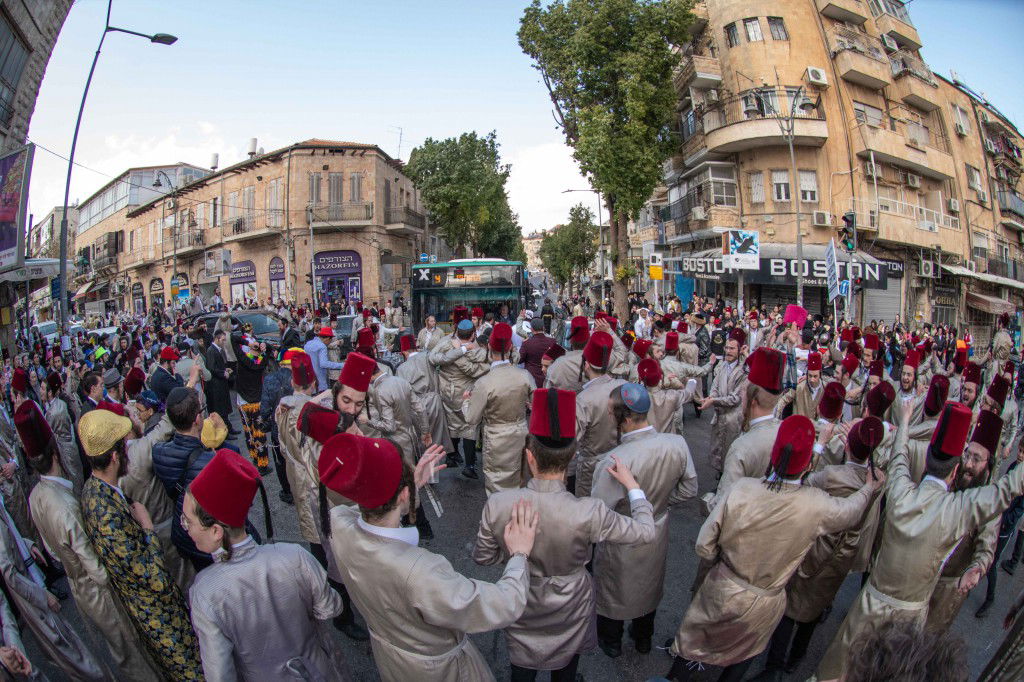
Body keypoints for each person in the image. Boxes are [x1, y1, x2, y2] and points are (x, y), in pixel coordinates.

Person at [817, 400, 1024, 680]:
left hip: (869, 604)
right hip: (908, 622)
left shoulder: (901, 488)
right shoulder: (958, 509)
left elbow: (900, 455)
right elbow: (1007, 490)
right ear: (954, 472)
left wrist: (904, 420)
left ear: (926, 462)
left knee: (839, 668)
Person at [668, 415, 882, 682]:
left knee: (694, 647)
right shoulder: (815, 505)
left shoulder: (742, 489)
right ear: (805, 465)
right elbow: (850, 512)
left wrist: (718, 565)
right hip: (766, 601)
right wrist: (869, 488)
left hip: (724, 588)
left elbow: (704, 543)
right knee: (742, 656)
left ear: (774, 453)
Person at [321, 432, 536, 681]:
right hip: (437, 672)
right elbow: (503, 604)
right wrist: (519, 553)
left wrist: (407, 486)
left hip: (390, 657)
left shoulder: (338, 524)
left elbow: (365, 505)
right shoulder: (419, 571)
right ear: (403, 494)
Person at [474, 388, 656, 680]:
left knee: (521, 669)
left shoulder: (499, 504)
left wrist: (513, 553)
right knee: (566, 669)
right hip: (571, 606)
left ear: (529, 457)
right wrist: (633, 488)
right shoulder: (589, 511)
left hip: (520, 599)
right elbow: (646, 532)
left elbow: (483, 557)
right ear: (572, 456)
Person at [19, 400, 158, 680]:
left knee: (118, 651)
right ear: (56, 452)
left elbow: (53, 552)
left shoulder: (36, 496)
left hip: (78, 588)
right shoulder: (67, 508)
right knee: (130, 653)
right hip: (99, 593)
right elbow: (98, 570)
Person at [183, 448, 349, 680]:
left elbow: (220, 674)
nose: (186, 529)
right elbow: (331, 607)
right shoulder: (294, 556)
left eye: (188, 521)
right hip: (317, 670)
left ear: (216, 531)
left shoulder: (205, 592)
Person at [78, 408, 204, 681]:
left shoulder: (97, 490)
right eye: (124, 447)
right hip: (159, 616)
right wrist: (147, 529)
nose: (128, 452)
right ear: (114, 457)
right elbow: (154, 578)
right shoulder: (105, 512)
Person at [756, 417, 886, 679]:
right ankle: (797, 656)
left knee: (790, 606)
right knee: (817, 605)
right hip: (844, 554)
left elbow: (801, 482)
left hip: (816, 547)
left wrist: (821, 446)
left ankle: (775, 664)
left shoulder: (832, 475)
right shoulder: (878, 479)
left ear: (847, 447)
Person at [593, 383, 698, 658]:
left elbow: (599, 512)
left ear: (625, 419)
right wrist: (659, 506)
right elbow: (689, 489)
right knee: (649, 584)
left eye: (610, 413)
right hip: (657, 527)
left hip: (622, 533)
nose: (607, 417)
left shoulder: (614, 461)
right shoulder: (676, 444)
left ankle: (611, 641)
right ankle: (643, 638)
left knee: (614, 588)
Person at [926, 409, 1001, 631]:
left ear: (989, 465)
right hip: (922, 576)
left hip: (947, 591)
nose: (968, 464)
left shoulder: (991, 504)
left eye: (976, 459)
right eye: (967, 454)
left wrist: (976, 569)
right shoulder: (952, 478)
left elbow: (987, 550)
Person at [152, 387, 219, 571]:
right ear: (198, 419)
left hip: (183, 533)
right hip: (208, 535)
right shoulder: (211, 462)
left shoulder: (158, 452)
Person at [463, 323, 535, 493]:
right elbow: (537, 404)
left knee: (497, 487)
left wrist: (466, 402)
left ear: (488, 346)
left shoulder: (484, 383)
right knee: (520, 482)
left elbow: (471, 418)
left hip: (496, 439)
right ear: (511, 348)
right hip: (520, 434)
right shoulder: (524, 376)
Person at [429, 317, 489, 475]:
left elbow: (432, 357)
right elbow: (474, 369)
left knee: (451, 425)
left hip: (447, 392)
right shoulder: (477, 350)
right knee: (470, 426)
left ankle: (451, 456)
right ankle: (469, 466)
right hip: (466, 393)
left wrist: (456, 351)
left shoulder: (446, 342)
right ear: (472, 335)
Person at [574, 331, 624, 497]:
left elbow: (573, 438)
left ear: (586, 365)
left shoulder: (583, 399)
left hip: (591, 466)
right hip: (620, 460)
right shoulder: (622, 386)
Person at [395, 334, 454, 457]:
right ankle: (435, 472)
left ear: (404, 351)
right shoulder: (427, 357)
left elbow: (402, 394)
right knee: (436, 442)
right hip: (434, 402)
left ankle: (424, 471)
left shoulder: (401, 369)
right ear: (415, 348)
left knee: (422, 441)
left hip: (415, 406)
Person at [702, 328, 746, 478]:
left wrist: (714, 400)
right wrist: (711, 397)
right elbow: (713, 386)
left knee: (731, 454)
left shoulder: (743, 371)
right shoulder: (721, 365)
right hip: (720, 416)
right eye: (726, 347)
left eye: (732, 348)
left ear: (740, 350)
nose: (728, 351)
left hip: (734, 419)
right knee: (718, 450)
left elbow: (735, 398)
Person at [261, 348, 301, 504]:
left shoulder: (270, 379)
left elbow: (264, 409)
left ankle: (287, 492)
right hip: (296, 425)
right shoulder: (299, 378)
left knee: (280, 461)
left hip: (278, 428)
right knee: (298, 458)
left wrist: (269, 420)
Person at [544, 316, 590, 393]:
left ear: (571, 341)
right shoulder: (597, 364)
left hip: (564, 404)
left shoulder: (557, 364)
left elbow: (547, 393)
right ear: (589, 339)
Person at [205, 330, 237, 434]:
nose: (224, 342)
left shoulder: (217, 350)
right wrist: (223, 373)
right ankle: (225, 431)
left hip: (221, 384)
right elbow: (211, 368)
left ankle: (229, 429)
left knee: (224, 408)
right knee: (220, 409)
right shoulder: (211, 350)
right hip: (216, 385)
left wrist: (225, 369)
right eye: (223, 340)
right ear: (217, 339)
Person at [304, 326, 345, 393]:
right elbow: (324, 364)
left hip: (309, 381)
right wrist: (342, 365)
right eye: (330, 340)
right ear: (328, 339)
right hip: (320, 383)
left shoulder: (308, 344)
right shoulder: (322, 346)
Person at [519, 317, 553, 388]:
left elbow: (519, 360)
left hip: (532, 379)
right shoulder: (552, 342)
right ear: (543, 328)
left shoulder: (527, 343)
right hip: (548, 379)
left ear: (531, 329)